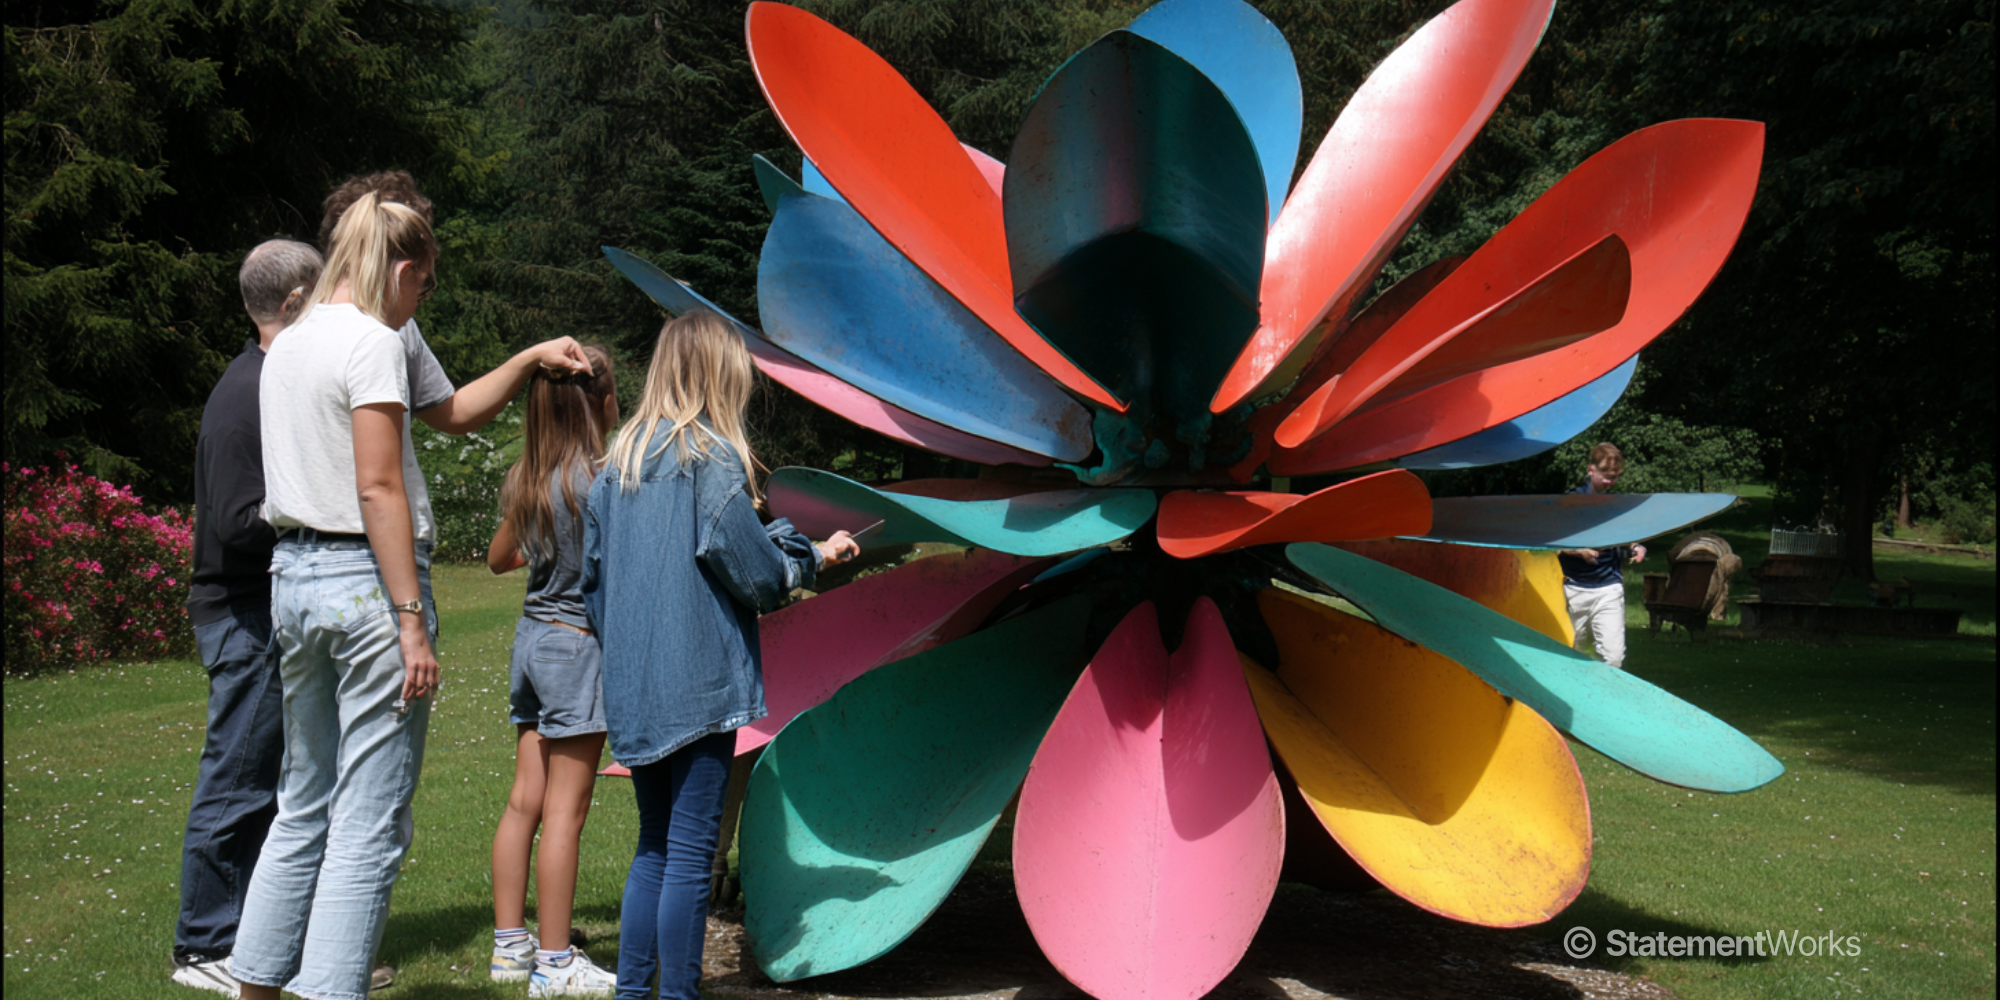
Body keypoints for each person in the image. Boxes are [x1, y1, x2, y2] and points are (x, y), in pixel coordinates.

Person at [581, 312, 859, 1000]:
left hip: (636, 687)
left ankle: (633, 991)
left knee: (653, 846)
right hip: (701, 686)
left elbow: (592, 586)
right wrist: (808, 556)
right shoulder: (709, 458)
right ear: (718, 375)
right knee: (690, 854)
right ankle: (677, 993)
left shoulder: (614, 466)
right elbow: (757, 575)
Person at [228, 192, 445, 1000]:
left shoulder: (286, 343)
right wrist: (410, 622)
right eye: (421, 285)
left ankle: (255, 988)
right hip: (365, 588)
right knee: (369, 820)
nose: (418, 301)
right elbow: (379, 486)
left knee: (302, 802)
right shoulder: (371, 342)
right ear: (399, 268)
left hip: (293, 582)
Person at [171, 240, 322, 996]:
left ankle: (253, 940)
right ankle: (205, 944)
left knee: (263, 778)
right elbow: (234, 521)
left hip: (257, 610)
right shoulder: (247, 391)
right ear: (294, 299)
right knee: (236, 779)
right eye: (322, 293)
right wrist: (318, 499)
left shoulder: (270, 381)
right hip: (241, 611)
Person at [486, 346, 621, 996]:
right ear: (606, 403)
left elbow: (497, 558)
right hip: (575, 649)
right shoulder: (601, 481)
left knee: (525, 802)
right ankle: (556, 963)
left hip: (531, 640)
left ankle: (511, 945)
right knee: (567, 811)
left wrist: (546, 552)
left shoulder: (529, 474)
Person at [1557, 443, 1648, 668]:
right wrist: (1579, 552)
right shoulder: (1571, 501)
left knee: (1613, 659)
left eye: (1614, 477)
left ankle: (1603, 698)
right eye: (1606, 476)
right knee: (1569, 654)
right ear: (1591, 469)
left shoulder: (1615, 504)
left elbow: (1629, 535)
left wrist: (1637, 546)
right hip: (1574, 589)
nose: (1610, 482)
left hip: (1609, 588)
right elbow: (1553, 544)